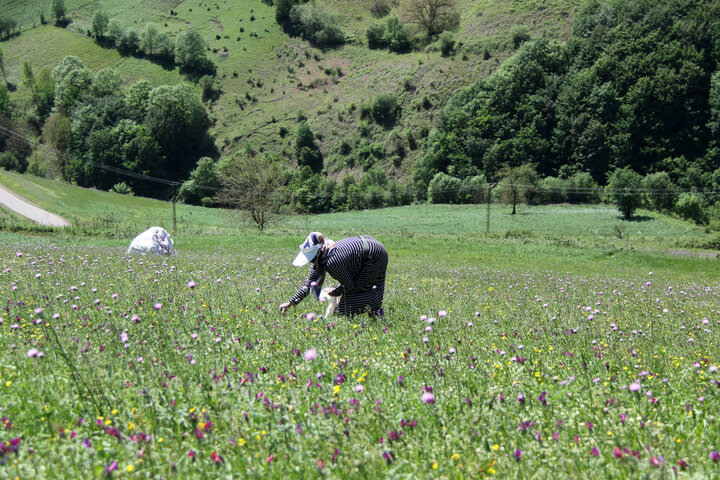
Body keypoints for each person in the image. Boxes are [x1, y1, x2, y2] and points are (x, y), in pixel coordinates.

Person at [279, 232, 388, 317]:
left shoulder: (333, 262)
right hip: (368, 250)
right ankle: (375, 314)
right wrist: (290, 303)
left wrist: (335, 292)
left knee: (349, 302)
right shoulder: (322, 255)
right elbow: (309, 284)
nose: (311, 262)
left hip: (374, 256)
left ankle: (375, 314)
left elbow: (349, 286)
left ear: (316, 253)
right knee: (362, 292)